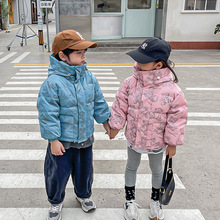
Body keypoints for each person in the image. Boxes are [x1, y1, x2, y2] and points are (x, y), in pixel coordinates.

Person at [109, 38, 188, 220]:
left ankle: (156, 199)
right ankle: (129, 200)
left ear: (158, 64)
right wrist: (115, 126)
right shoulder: (130, 82)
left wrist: (173, 143)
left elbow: (177, 118)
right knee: (131, 166)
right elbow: (120, 105)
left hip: (157, 141)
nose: (137, 63)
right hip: (134, 137)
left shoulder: (172, 90)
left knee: (157, 169)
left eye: (142, 60)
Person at [37, 29, 111, 220]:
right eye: (79, 52)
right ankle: (55, 201)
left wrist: (106, 122)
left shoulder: (89, 77)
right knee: (57, 174)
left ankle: (83, 195)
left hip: (85, 138)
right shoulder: (52, 83)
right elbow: (48, 113)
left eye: (84, 52)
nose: (83, 56)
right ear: (63, 55)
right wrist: (52, 139)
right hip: (62, 142)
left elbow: (98, 102)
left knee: (85, 172)